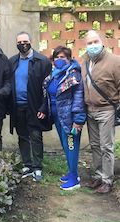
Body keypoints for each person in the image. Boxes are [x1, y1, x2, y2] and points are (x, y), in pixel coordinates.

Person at [40, 46, 86, 190]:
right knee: (66, 146)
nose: (59, 60)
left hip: (70, 119)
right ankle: (72, 172)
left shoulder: (73, 75)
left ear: (69, 59)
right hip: (58, 117)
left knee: (71, 146)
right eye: (57, 57)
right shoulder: (54, 74)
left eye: (63, 57)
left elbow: (79, 98)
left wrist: (78, 120)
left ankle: (74, 179)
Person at [9, 31, 52, 181]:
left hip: (34, 107)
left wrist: (43, 107)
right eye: (19, 42)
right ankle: (27, 164)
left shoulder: (42, 61)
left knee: (35, 136)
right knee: (22, 136)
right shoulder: (12, 61)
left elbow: (47, 88)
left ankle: (37, 166)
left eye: (25, 41)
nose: (23, 44)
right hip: (18, 106)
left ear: (31, 41)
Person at [82, 30, 120, 194]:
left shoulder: (115, 61)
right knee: (95, 146)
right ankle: (97, 176)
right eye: (89, 43)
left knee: (106, 147)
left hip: (106, 110)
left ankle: (107, 180)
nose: (92, 46)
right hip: (90, 110)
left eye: (95, 41)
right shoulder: (84, 61)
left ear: (102, 42)